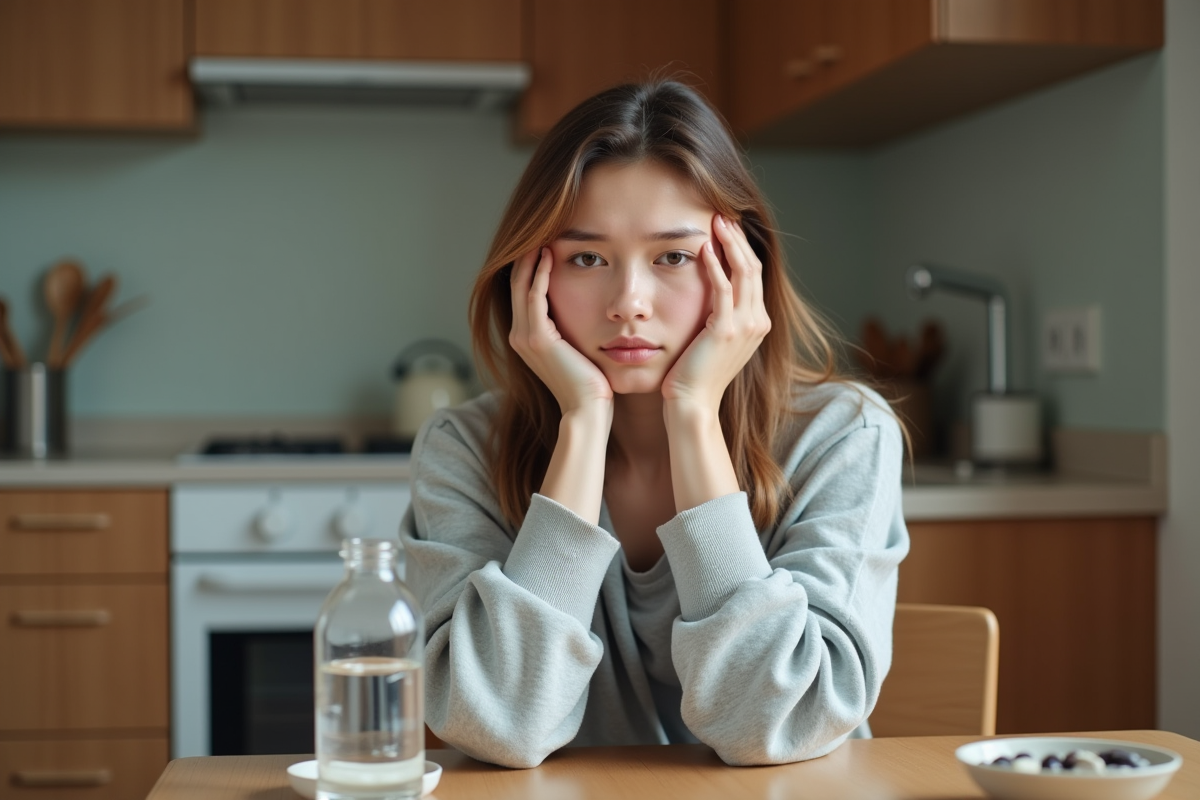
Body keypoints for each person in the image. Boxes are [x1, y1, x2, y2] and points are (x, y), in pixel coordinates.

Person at [399, 79, 909, 769]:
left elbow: (773, 725)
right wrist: (582, 423)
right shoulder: (463, 448)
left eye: (673, 256)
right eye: (586, 258)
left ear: (743, 267)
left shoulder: (843, 435)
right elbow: (499, 725)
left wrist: (693, 414)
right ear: (528, 278)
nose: (628, 303)